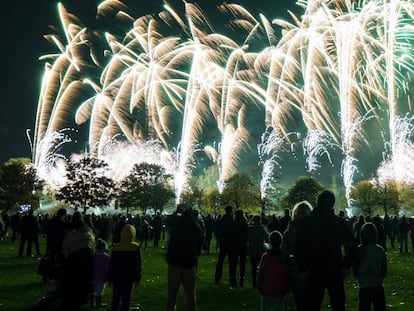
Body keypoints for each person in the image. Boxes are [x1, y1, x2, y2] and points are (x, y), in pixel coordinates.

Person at [294, 190, 356, 311]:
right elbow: (352, 245)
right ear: (332, 204)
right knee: (338, 304)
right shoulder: (339, 223)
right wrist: (345, 266)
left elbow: (298, 246)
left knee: (312, 304)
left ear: (317, 203)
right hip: (334, 268)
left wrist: (303, 268)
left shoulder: (307, 223)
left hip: (313, 270)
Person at [166, 204, 203, 311]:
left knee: (172, 294)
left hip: (175, 259)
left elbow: (168, 221)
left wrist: (176, 211)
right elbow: (200, 238)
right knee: (190, 293)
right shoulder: (194, 226)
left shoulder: (176, 223)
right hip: (189, 260)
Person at [60, 211, 95, 311]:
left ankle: (71, 299)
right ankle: (82, 298)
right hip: (86, 259)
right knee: (83, 280)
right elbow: (92, 244)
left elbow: (65, 246)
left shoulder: (71, 233)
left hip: (74, 259)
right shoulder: (88, 233)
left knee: (72, 280)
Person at [282, 201, 313, 311]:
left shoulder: (289, 231)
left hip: (295, 270)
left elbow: (284, 254)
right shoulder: (313, 230)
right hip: (311, 270)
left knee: (299, 302)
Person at [353, 222, 387, 311]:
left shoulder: (359, 250)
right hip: (378, 285)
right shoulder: (380, 250)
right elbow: (384, 270)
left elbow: (355, 271)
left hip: (364, 286)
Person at [108, 223, 142, 311]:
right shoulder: (135, 247)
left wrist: (110, 278)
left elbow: (112, 264)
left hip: (117, 276)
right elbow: (137, 265)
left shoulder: (116, 247)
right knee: (126, 298)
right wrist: (138, 278)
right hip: (129, 277)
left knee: (115, 297)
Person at [256, 230, 288, 311]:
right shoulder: (284, 257)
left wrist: (259, 285)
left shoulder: (266, 257)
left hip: (266, 289)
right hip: (280, 290)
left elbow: (261, 272)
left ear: (270, 242)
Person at [214, 205, 235, 286]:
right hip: (230, 242)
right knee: (231, 261)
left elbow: (217, 229)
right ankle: (232, 279)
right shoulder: (232, 219)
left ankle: (217, 277)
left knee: (220, 260)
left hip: (223, 242)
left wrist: (220, 238)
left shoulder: (222, 219)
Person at [247, 215, 268, 288]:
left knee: (253, 267)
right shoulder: (262, 228)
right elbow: (267, 238)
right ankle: (260, 281)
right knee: (261, 267)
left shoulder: (250, 229)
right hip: (260, 249)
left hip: (252, 249)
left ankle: (254, 282)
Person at [92, 238, 110, 308]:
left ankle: (92, 303)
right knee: (99, 291)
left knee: (94, 290)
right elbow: (108, 268)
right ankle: (98, 304)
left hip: (93, 276)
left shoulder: (93, 256)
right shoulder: (106, 257)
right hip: (102, 277)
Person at [232, 209, 248, 286]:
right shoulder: (244, 224)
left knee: (234, 262)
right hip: (243, 244)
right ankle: (241, 279)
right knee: (242, 263)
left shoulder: (233, 224)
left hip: (235, 244)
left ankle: (233, 279)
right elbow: (247, 234)